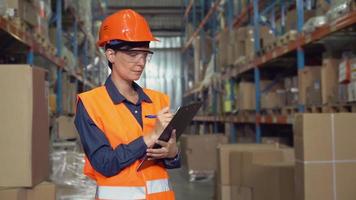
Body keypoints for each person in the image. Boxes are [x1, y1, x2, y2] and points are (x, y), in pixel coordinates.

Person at [74, 9, 180, 200]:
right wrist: (150, 137)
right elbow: (105, 163)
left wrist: (172, 153)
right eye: (133, 54)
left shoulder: (159, 100)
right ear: (111, 54)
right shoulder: (90, 104)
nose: (141, 62)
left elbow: (168, 160)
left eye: (145, 54)